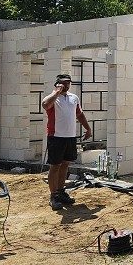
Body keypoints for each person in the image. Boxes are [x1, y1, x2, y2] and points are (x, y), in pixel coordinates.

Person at [42, 73, 92, 210]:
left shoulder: (73, 98)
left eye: (68, 83)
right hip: (56, 137)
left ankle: (61, 191)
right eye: (63, 83)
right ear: (57, 84)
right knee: (55, 166)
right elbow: (45, 105)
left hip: (70, 137)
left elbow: (79, 114)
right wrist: (57, 92)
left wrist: (88, 128)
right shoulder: (52, 97)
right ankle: (53, 196)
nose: (66, 85)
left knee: (65, 164)